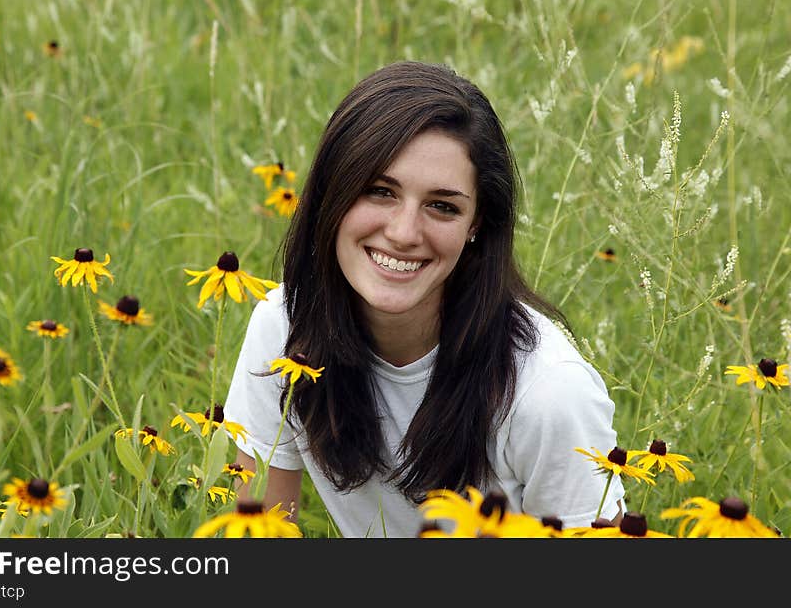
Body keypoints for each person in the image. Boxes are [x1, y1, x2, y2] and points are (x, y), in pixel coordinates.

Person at [223, 60, 626, 537]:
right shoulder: (285, 330)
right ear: (333, 191)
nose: (404, 232)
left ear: (477, 224)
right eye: (379, 190)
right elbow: (260, 538)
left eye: (442, 206)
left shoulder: (549, 394)